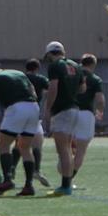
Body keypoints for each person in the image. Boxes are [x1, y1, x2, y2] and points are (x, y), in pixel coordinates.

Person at [0, 61, 41, 196]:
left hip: (16, 108)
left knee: (3, 145)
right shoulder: (19, 73)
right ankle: (28, 185)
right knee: (25, 148)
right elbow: (33, 92)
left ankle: (7, 180)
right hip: (33, 107)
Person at [40, 41, 86, 195]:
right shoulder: (76, 66)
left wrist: (48, 108)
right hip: (74, 108)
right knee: (67, 148)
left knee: (63, 150)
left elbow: (53, 87)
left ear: (49, 54)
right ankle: (67, 183)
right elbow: (82, 88)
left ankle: (66, 185)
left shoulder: (55, 66)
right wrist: (70, 90)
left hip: (62, 110)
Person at [69, 54, 105, 177]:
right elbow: (100, 100)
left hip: (69, 112)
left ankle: (65, 172)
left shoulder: (72, 76)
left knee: (66, 147)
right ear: (93, 64)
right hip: (86, 114)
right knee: (81, 151)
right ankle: (68, 180)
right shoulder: (94, 79)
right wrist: (100, 111)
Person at [23, 58, 53, 186]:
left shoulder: (21, 78)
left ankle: (10, 172)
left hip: (17, 111)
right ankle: (36, 170)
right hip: (33, 111)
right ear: (37, 68)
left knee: (19, 144)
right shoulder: (40, 79)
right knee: (37, 142)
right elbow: (51, 89)